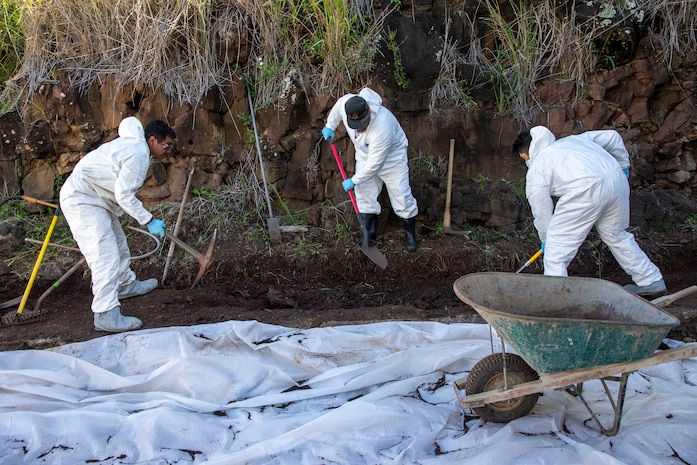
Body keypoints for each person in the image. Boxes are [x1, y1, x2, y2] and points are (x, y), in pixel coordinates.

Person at [511, 125, 666, 297]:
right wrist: (623, 165)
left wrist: (547, 239)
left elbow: (541, 209)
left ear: (528, 151)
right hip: (617, 180)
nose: (524, 160)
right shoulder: (574, 140)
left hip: (585, 190)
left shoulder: (538, 167)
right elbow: (613, 137)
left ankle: (555, 300)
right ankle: (651, 281)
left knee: (556, 253)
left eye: (523, 156)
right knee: (616, 235)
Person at [59, 116, 176, 332]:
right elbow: (124, 195)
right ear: (152, 140)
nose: (168, 150)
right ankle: (105, 314)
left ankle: (125, 285)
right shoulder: (139, 153)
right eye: (166, 145)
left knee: (120, 245)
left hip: (97, 199)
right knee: (105, 256)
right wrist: (148, 220)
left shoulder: (131, 146)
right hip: (83, 199)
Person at [322, 87, 419, 252]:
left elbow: (375, 165)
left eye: (361, 124)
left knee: (401, 195)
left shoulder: (383, 125)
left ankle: (410, 233)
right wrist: (330, 125)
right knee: (364, 194)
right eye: (355, 125)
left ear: (368, 111)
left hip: (391, 160)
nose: (358, 129)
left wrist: (354, 180)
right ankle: (369, 237)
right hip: (364, 155)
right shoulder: (348, 104)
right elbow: (339, 106)